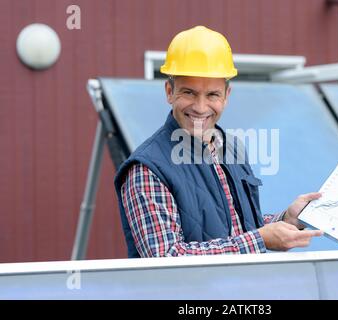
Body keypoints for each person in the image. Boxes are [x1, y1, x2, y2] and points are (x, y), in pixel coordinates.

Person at [114, 26, 323, 258]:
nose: (201, 107)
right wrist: (260, 240)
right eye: (189, 93)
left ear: (226, 96)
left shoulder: (231, 149)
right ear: (169, 91)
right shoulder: (147, 169)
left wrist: (287, 219)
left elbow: (237, 227)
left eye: (212, 95)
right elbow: (167, 257)